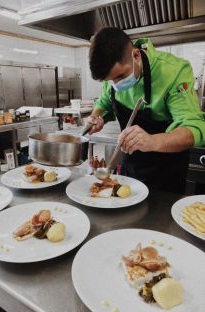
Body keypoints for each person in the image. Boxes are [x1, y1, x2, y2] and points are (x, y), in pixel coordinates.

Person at [87, 27, 205, 194]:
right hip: (130, 170)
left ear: (136, 55)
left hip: (167, 175)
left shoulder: (174, 71)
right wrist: (96, 117)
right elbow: (104, 103)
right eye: (110, 81)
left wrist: (151, 141)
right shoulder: (112, 74)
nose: (116, 84)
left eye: (120, 77)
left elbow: (196, 127)